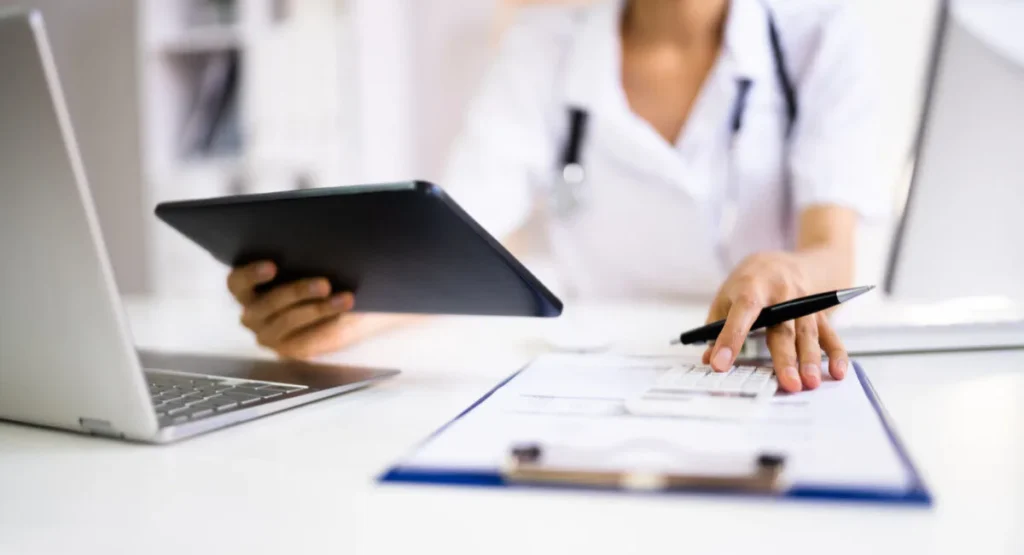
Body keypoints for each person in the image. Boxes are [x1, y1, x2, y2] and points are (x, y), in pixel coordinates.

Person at [226, 0, 886, 394]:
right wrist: (345, 311)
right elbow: (458, 237)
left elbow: (832, 247)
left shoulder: (821, 34)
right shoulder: (543, 47)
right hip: (594, 374)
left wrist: (789, 272)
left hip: (754, 369)